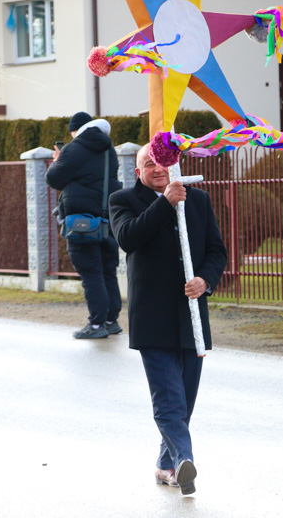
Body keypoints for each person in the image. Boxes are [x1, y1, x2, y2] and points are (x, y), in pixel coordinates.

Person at [108, 142, 227, 496]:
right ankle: (183, 461)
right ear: (138, 171)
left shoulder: (199, 200)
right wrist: (165, 203)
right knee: (169, 399)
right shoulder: (123, 200)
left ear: (174, 164)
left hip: (191, 316)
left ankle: (165, 463)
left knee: (186, 398)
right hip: (152, 317)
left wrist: (205, 280)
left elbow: (217, 250)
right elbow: (129, 238)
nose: (157, 169)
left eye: (163, 162)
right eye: (150, 164)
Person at [46, 111, 123, 339]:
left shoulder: (74, 148)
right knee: (108, 272)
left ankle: (96, 325)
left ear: (75, 130)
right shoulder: (109, 148)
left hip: (81, 222)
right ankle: (111, 321)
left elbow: (54, 179)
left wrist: (58, 160)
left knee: (91, 274)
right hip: (108, 218)